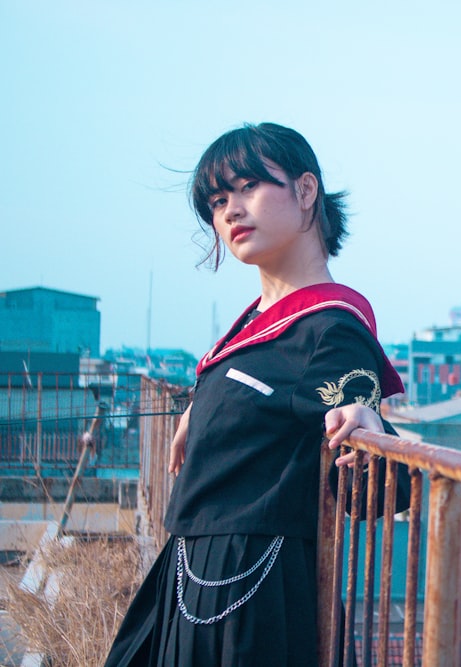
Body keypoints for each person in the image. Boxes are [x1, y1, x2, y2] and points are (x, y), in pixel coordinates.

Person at [105, 122, 407, 667]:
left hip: (248, 586)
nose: (230, 211)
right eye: (218, 201)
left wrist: (365, 417)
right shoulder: (255, 326)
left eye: (248, 188)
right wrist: (202, 405)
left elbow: (353, 403)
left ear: (306, 191)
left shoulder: (330, 325)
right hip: (199, 571)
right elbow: (265, 394)